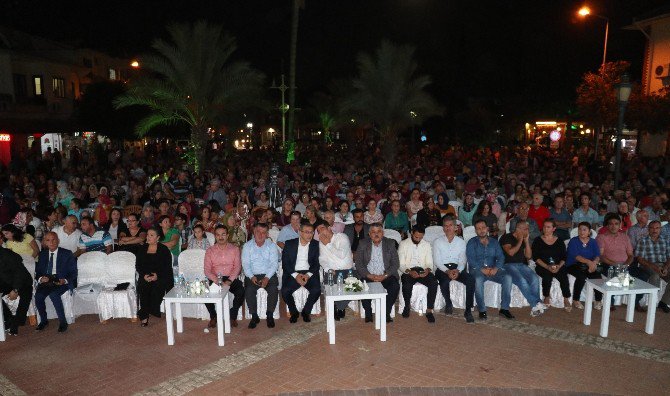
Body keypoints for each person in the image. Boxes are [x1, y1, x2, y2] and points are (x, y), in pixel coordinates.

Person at [466, 219, 514, 320]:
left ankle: (504, 309)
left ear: (487, 229)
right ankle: (482, 310)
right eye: (478, 229)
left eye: (483, 228)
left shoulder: (494, 242)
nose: (481, 230)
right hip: (477, 270)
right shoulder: (471, 242)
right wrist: (482, 269)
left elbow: (501, 257)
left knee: (508, 277)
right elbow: (471, 260)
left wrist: (496, 268)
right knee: (478, 280)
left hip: (493, 268)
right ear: (475, 231)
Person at [432, 215, 475, 323]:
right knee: (444, 281)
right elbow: (437, 261)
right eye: (445, 226)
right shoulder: (437, 242)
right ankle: (448, 303)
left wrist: (458, 270)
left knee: (471, 279)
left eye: (450, 225)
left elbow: (462, 260)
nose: (448, 228)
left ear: (455, 227)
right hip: (442, 269)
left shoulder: (461, 242)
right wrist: (447, 271)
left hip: (457, 268)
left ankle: (468, 310)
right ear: (443, 228)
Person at [354, 223, 400, 323]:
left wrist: (385, 275)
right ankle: (368, 313)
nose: (376, 234)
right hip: (369, 275)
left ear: (382, 233)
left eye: (378, 231)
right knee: (363, 286)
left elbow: (396, 263)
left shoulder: (390, 243)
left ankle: (386, 313)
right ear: (369, 234)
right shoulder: (363, 243)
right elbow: (358, 263)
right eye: (373, 232)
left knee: (395, 286)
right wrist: (368, 275)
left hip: (385, 275)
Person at [500, 220, 545, 317]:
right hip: (508, 265)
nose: (528, 231)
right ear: (518, 229)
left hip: (521, 265)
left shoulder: (524, 239)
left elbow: (528, 256)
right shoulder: (507, 237)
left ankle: (535, 307)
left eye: (528, 229)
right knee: (522, 280)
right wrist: (520, 240)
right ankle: (536, 303)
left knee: (534, 278)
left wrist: (526, 241)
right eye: (525, 229)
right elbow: (510, 253)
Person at [34, 232, 77, 333]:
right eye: (48, 240)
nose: (51, 242)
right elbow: (38, 272)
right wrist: (41, 278)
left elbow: (74, 272)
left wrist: (65, 280)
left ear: (58, 241)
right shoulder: (43, 254)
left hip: (61, 281)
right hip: (47, 280)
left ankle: (63, 322)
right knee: (38, 296)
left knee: (54, 295)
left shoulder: (67, 253)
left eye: (54, 239)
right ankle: (44, 321)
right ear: (45, 242)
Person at [203, 225, 244, 328]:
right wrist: (217, 281)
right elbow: (207, 270)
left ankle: (232, 316)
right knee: (206, 292)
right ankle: (213, 316)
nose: (220, 237)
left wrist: (229, 281)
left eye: (223, 234)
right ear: (215, 236)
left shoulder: (235, 249)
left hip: (231, 277)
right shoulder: (210, 251)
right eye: (218, 235)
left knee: (241, 291)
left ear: (228, 235)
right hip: (215, 278)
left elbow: (237, 267)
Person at [281, 221, 321, 323]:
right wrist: (296, 275)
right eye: (307, 232)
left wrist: (307, 275)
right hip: (294, 272)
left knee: (316, 290)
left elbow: (316, 264)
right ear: (300, 232)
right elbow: (285, 263)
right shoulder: (290, 243)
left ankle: (306, 311)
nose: (309, 235)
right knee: (285, 291)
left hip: (309, 272)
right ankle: (293, 312)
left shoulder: (315, 244)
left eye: (311, 232)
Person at [242, 223, 280, 329]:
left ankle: (269, 315)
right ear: (254, 231)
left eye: (263, 232)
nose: (260, 235)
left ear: (267, 234)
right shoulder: (247, 246)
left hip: (269, 274)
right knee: (249, 290)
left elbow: (274, 264)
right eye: (258, 231)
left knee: (273, 289)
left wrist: (267, 278)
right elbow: (245, 264)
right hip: (252, 274)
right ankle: (254, 316)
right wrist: (251, 276)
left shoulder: (272, 246)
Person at [397, 225, 437, 323]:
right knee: (406, 283)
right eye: (416, 237)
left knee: (433, 282)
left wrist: (427, 270)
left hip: (422, 270)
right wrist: (409, 271)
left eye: (421, 237)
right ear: (411, 233)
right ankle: (407, 306)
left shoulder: (426, 244)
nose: (418, 239)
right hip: (408, 270)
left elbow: (429, 263)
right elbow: (401, 264)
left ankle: (429, 310)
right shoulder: (403, 244)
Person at [135, 227, 174, 327]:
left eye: (151, 235)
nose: (148, 237)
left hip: (160, 275)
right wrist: (144, 275)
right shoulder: (142, 248)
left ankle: (145, 311)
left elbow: (167, 267)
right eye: (148, 235)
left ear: (158, 238)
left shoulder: (164, 249)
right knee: (143, 287)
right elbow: (138, 265)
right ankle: (144, 317)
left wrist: (157, 275)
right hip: (146, 275)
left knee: (157, 288)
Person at [316, 220, 354, 321]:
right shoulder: (321, 243)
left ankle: (340, 306)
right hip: (332, 271)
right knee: (330, 285)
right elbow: (322, 259)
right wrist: (328, 269)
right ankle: (335, 306)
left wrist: (328, 244)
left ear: (329, 228)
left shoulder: (342, 237)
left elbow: (341, 255)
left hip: (347, 270)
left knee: (353, 287)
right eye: (318, 231)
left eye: (322, 228)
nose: (321, 232)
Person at [596, 213, 634, 311]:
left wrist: (626, 265)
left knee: (643, 274)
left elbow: (630, 255)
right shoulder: (602, 237)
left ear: (620, 225)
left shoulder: (625, 237)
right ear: (607, 225)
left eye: (616, 224)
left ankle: (636, 302)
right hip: (608, 264)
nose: (613, 226)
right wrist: (616, 265)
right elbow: (601, 256)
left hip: (626, 265)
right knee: (615, 275)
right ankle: (610, 302)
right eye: (611, 224)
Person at [532, 219, 571, 311]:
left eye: (548, 227)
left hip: (557, 265)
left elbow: (564, 257)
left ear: (554, 229)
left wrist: (559, 266)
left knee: (563, 276)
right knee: (547, 276)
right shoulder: (538, 240)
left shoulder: (559, 241)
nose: (545, 229)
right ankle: (546, 296)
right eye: (544, 226)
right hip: (543, 265)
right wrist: (547, 266)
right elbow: (536, 258)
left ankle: (566, 298)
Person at [566, 222, 603, 310]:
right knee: (581, 276)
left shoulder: (593, 242)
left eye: (584, 230)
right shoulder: (574, 241)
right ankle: (576, 299)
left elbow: (597, 255)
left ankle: (598, 300)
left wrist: (593, 263)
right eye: (580, 229)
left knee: (597, 276)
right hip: (573, 264)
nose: (581, 231)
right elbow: (576, 256)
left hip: (589, 264)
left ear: (589, 231)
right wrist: (590, 263)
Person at [635, 221, 670, 313]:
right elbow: (640, 259)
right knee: (655, 276)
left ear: (660, 229)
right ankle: (652, 303)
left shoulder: (665, 240)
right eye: (652, 228)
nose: (655, 230)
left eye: (657, 228)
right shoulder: (642, 241)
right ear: (648, 229)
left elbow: (669, 256)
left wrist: (666, 267)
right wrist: (655, 267)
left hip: (663, 265)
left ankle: (663, 302)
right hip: (647, 265)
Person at [0, 246, 33, 336]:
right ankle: (9, 318)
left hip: (22, 281)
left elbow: (19, 273)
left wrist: (15, 289)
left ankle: (18, 321)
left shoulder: (7, 255)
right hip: (5, 282)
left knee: (26, 294)